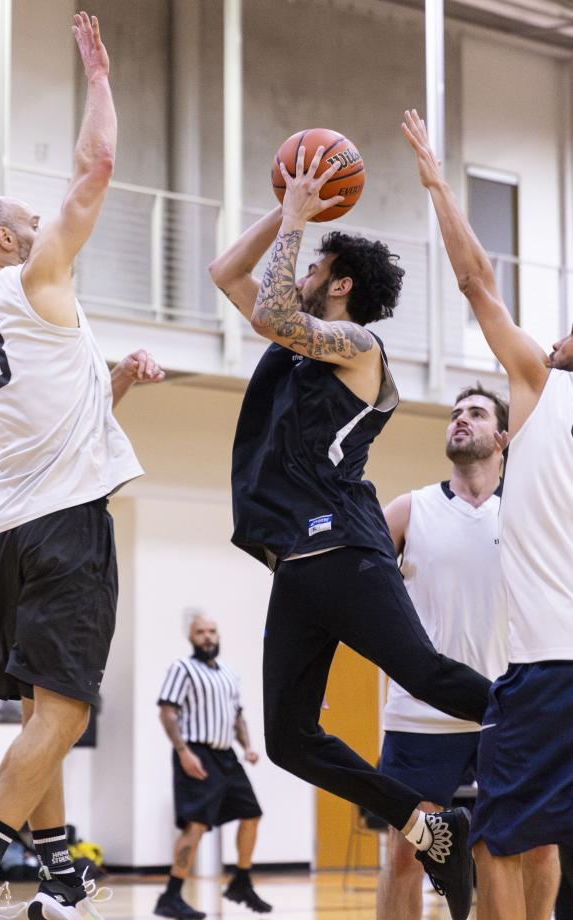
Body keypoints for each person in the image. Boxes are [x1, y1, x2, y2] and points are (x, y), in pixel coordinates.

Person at [208, 145, 492, 920]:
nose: (293, 271)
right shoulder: (294, 344)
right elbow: (227, 277)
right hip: (298, 561)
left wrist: (302, 217)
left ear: (337, 285)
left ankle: (552, 711)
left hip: (344, 543)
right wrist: (291, 205)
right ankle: (425, 823)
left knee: (430, 676)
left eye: (308, 266)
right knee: (292, 738)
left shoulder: (360, 350)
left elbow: (269, 307)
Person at [0, 13, 165, 920]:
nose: (43, 223)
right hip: (66, 528)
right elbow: (94, 171)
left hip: (16, 530)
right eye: (29, 221)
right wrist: (99, 81)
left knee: (42, 716)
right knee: (65, 715)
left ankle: (60, 871)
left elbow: (73, 411)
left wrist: (123, 381)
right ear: (7, 243)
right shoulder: (32, 280)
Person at [403, 106, 573, 920]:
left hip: (548, 668)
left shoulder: (543, 387)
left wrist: (439, 183)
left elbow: (476, 283)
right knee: (541, 841)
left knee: (497, 841)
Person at [376, 385, 559, 920]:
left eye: (476, 413)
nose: (460, 420)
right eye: (455, 414)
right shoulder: (408, 510)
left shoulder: (529, 512)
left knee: (534, 848)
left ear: (502, 437)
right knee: (406, 853)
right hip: (419, 716)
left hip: (508, 714)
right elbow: (351, 599)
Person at [154, 614, 271, 920]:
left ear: (218, 635)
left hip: (227, 757)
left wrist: (248, 747)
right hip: (196, 752)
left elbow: (238, 716)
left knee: (252, 814)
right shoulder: (182, 669)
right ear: (191, 638)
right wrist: (183, 752)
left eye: (212, 631)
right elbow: (167, 712)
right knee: (196, 825)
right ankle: (171, 895)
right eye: (200, 632)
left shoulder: (229, 674)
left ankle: (241, 881)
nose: (207, 636)